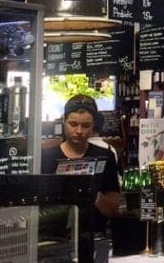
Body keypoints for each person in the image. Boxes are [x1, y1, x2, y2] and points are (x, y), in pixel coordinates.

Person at [42, 96, 121, 229]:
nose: (79, 131)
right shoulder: (46, 157)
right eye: (73, 124)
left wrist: (93, 193)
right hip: (54, 236)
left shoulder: (105, 156)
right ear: (63, 120)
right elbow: (37, 208)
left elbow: (113, 209)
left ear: (94, 125)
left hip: (94, 236)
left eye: (86, 126)